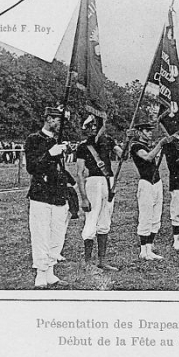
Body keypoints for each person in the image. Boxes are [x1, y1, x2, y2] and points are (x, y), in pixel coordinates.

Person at [25, 106, 74, 288]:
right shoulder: (34, 139)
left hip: (58, 194)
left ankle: (51, 272)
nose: (60, 123)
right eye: (57, 119)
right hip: (41, 194)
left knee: (57, 235)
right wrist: (49, 153)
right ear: (48, 119)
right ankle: (40, 273)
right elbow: (32, 167)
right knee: (41, 234)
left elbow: (60, 169)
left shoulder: (57, 141)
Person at [76, 115, 123, 271]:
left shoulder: (108, 141)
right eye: (95, 126)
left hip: (108, 181)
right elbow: (80, 172)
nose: (98, 128)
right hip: (93, 183)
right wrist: (83, 198)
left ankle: (102, 261)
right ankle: (88, 262)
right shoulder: (84, 146)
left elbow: (124, 155)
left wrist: (128, 141)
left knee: (104, 222)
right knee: (91, 220)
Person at [129, 121, 172, 260]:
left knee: (156, 216)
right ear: (140, 132)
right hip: (146, 182)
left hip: (156, 182)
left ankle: (150, 246)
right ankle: (143, 250)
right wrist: (160, 144)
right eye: (146, 130)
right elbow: (147, 157)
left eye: (150, 130)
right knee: (146, 216)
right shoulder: (136, 146)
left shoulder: (148, 146)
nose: (149, 133)